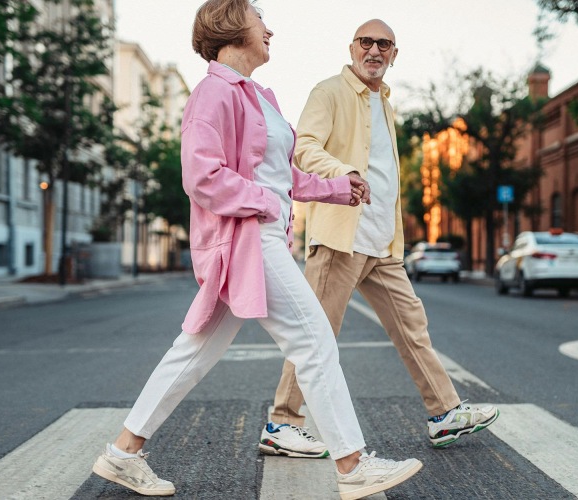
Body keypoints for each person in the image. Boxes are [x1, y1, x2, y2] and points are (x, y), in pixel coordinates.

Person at [91, 2, 422, 498]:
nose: (269, 28)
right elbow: (202, 176)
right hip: (248, 238)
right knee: (314, 344)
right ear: (231, 27)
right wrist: (266, 203)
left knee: (194, 353)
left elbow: (278, 174)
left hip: (258, 235)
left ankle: (122, 453)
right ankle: (353, 467)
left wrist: (336, 187)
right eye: (258, 18)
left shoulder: (256, 96)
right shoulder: (212, 93)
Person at [260, 19, 499, 458]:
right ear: (352, 48)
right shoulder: (328, 91)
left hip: (382, 242)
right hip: (341, 238)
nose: (374, 50)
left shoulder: (385, 103)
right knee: (316, 334)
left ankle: (444, 413)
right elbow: (304, 147)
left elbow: (386, 174)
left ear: (394, 54)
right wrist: (341, 172)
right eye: (366, 42)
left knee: (413, 327)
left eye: (384, 44)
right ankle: (282, 423)